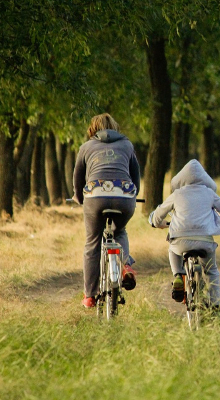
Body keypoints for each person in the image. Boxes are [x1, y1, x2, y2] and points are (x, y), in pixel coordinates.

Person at [148, 159, 220, 312]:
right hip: (204, 241)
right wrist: (219, 216)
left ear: (181, 179)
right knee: (211, 270)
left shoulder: (177, 194)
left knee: (172, 249)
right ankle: (215, 303)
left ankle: (178, 275)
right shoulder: (209, 193)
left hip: (180, 240)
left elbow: (158, 214)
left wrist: (155, 222)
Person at [73, 113, 140, 309]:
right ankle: (125, 265)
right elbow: (135, 175)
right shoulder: (127, 145)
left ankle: (90, 295)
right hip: (124, 196)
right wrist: (132, 195)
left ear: (93, 129)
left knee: (93, 242)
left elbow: (78, 177)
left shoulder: (86, 147)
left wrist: (79, 198)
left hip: (95, 196)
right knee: (119, 231)